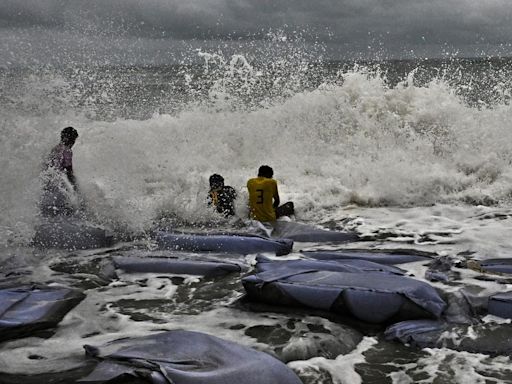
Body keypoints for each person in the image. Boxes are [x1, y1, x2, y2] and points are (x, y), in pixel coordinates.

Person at [40, 126, 79, 216]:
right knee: (68, 205)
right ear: (70, 139)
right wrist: (76, 188)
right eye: (73, 140)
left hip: (47, 178)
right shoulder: (67, 151)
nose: (74, 143)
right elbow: (69, 172)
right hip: (55, 180)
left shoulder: (55, 148)